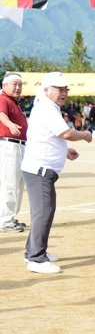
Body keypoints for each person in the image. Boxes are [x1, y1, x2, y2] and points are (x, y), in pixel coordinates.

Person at [21, 72, 93, 274]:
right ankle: (36, 258)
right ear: (46, 90)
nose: (64, 93)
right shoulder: (46, 108)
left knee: (43, 211)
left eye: (65, 89)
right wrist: (85, 135)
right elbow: (67, 133)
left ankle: (32, 251)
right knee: (44, 211)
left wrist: (64, 151)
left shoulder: (48, 107)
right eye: (59, 89)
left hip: (41, 168)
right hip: (40, 169)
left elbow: (50, 136)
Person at [1, 73, 28, 233]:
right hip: (8, 145)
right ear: (4, 86)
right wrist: (9, 124)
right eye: (14, 84)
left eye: (20, 84)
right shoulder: (3, 99)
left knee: (18, 183)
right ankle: (5, 220)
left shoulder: (14, 102)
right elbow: (1, 114)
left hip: (19, 145)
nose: (18, 87)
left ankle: (10, 216)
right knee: (9, 183)